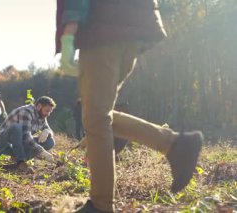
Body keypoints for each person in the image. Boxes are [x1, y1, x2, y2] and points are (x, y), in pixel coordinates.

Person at [56, 1, 203, 212]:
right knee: (100, 116)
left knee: (97, 118)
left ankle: (101, 205)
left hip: (102, 29)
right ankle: (176, 144)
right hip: (132, 27)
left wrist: (68, 33)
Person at [0, 96, 56, 172]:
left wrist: (47, 131)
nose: (48, 114)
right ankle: (20, 161)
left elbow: (49, 129)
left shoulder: (42, 116)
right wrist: (41, 151)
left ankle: (17, 159)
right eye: (47, 111)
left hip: (19, 144)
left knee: (50, 141)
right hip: (4, 143)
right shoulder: (26, 112)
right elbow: (26, 137)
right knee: (16, 127)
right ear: (39, 106)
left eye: (50, 112)